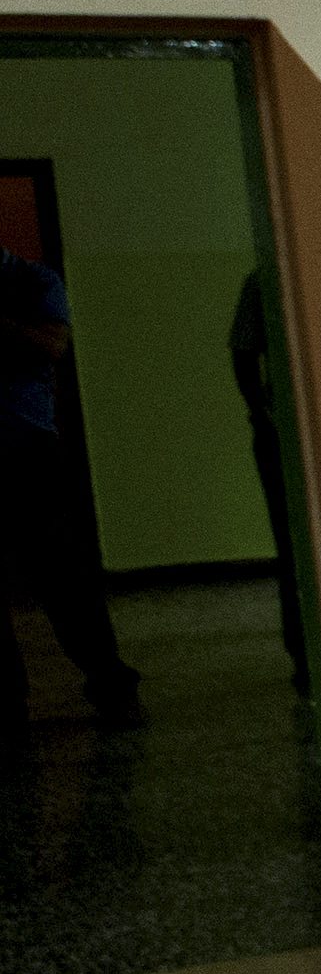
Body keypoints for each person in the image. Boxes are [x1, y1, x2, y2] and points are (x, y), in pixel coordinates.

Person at [0, 243, 142, 733]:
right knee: (62, 578)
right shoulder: (32, 283)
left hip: (26, 447)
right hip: (26, 443)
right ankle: (9, 702)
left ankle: (112, 686)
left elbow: (53, 346)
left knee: (64, 578)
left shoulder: (34, 281)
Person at [229, 268, 306, 689]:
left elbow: (242, 352)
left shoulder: (265, 278)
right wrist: (264, 415)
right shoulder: (265, 279)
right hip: (283, 428)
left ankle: (304, 657)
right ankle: (303, 656)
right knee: (292, 548)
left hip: (285, 425)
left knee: (292, 547)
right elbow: (243, 353)